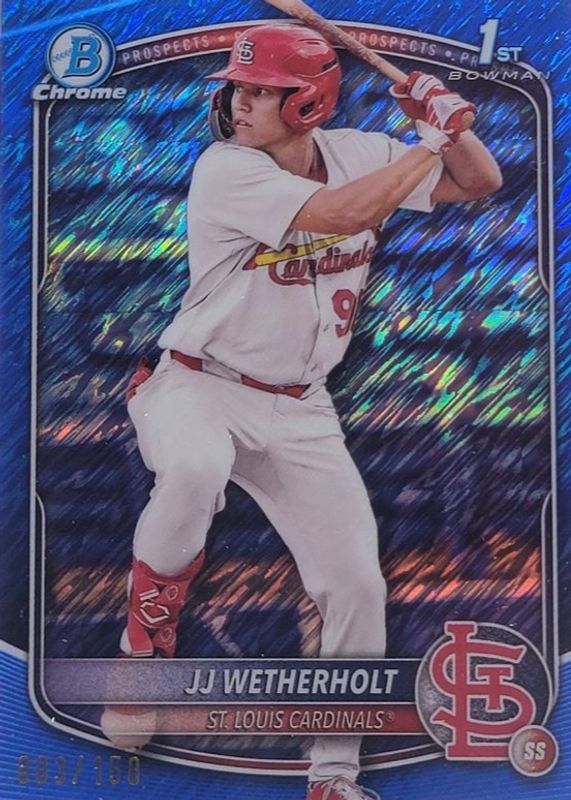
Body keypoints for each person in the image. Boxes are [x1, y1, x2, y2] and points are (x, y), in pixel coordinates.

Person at [101, 23, 502, 800]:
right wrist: (428, 137)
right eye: (238, 88)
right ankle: (143, 646)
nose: (239, 102)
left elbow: (478, 181)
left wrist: (448, 123)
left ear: (310, 102)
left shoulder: (365, 153)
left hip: (300, 407)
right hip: (197, 384)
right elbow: (339, 215)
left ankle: (332, 775)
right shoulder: (226, 168)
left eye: (262, 91)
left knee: (355, 587)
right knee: (194, 467)